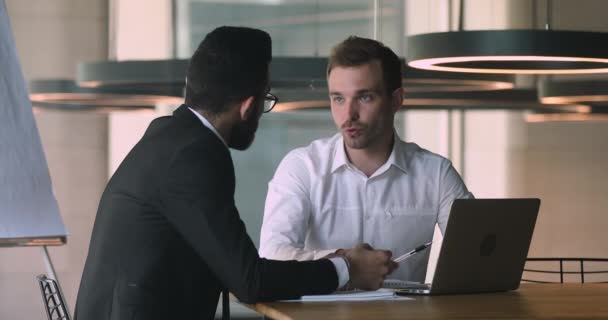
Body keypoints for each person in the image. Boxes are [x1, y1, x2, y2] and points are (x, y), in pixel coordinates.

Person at [74, 27, 397, 320]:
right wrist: (347, 269)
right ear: (247, 106)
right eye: (265, 99)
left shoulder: (171, 136)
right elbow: (249, 280)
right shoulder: (194, 156)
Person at [259, 36, 473, 282]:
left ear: (396, 100)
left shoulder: (436, 174)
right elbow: (272, 255)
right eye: (338, 98)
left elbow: (475, 258)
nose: (348, 114)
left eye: (365, 97)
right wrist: (346, 262)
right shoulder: (302, 167)